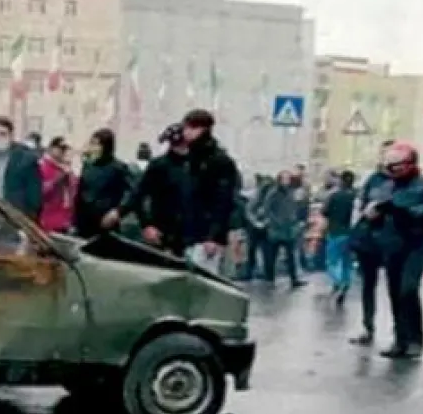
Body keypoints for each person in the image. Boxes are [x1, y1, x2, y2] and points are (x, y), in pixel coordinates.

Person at [128, 110, 239, 272]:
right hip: (178, 235)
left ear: (202, 129)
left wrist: (214, 236)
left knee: (200, 285)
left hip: (203, 238)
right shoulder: (185, 160)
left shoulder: (218, 161)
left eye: (190, 128)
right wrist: (149, 224)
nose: (185, 133)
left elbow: (223, 202)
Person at [364, 142, 423, 360]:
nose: (393, 170)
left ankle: (415, 340)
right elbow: (371, 210)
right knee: (394, 292)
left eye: (397, 165)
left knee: (408, 290)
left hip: (415, 245)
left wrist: (405, 211)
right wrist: (375, 214)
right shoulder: (386, 187)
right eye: (391, 166)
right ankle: (400, 340)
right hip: (391, 244)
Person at [349, 141, 396, 346]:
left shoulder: (406, 182)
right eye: (384, 154)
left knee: (396, 288)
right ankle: (368, 327)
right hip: (369, 240)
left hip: (394, 239)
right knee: (368, 285)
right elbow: (360, 205)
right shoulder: (373, 180)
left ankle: (399, 333)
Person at [73, 128, 138, 238]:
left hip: (106, 220)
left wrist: (118, 211)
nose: (93, 148)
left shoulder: (119, 168)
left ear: (106, 147)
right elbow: (81, 192)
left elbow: (132, 192)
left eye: (97, 144)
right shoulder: (88, 166)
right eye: (92, 143)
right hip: (84, 223)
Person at [255, 170, 306, 287]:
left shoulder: (290, 192)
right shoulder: (273, 193)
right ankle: (270, 278)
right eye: (285, 178)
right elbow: (267, 209)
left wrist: (294, 219)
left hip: (288, 229)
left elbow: (292, 207)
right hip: (276, 229)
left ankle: (294, 279)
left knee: (290, 255)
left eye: (288, 178)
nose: (287, 181)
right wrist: (275, 221)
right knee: (272, 255)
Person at [322, 170, 358, 303]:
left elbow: (325, 211)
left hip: (335, 231)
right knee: (347, 262)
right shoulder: (356, 196)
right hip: (352, 233)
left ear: (341, 181)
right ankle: (346, 281)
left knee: (331, 261)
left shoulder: (334, 196)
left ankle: (338, 282)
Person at [38, 136, 77, 235]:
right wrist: (57, 179)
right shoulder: (42, 166)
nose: (63, 152)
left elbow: (74, 191)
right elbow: (41, 192)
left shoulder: (65, 167)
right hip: (48, 218)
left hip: (65, 219)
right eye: (60, 148)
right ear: (51, 148)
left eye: (65, 149)